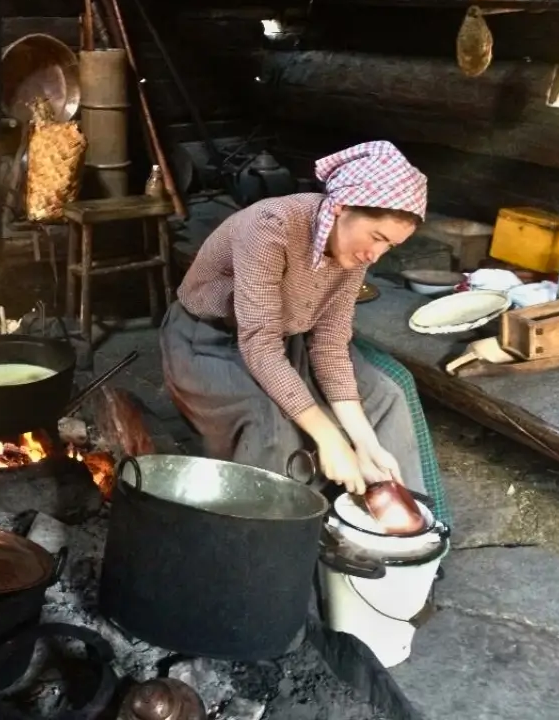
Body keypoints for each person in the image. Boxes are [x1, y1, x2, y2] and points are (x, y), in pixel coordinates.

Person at [160, 140, 430, 496]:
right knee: (272, 426)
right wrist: (329, 437)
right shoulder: (271, 226)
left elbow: (331, 345)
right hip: (209, 340)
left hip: (287, 339)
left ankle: (394, 524)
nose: (375, 255)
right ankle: (269, 537)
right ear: (341, 206)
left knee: (386, 396)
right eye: (377, 237)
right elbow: (260, 345)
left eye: (390, 246)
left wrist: (365, 443)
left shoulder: (353, 253)